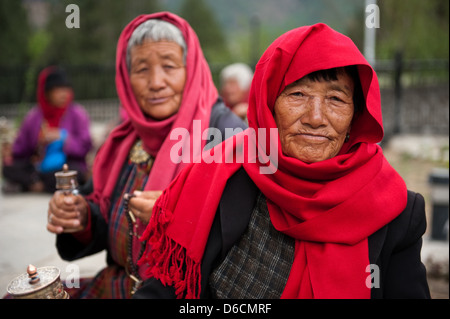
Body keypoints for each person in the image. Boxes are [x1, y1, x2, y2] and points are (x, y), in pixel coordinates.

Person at [134, 23, 431, 299]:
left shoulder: (396, 211)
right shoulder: (221, 176)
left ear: (356, 116)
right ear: (268, 107)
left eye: (336, 99)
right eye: (298, 94)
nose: (316, 118)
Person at [46, 12, 246, 299]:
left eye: (169, 66)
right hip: (116, 287)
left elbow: (242, 242)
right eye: (141, 70)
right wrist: (81, 217)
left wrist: (179, 220)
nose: (156, 82)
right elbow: (104, 219)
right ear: (127, 79)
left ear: (191, 69)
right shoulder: (123, 139)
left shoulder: (226, 136)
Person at [2, 66, 92, 193]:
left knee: (74, 172)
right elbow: (21, 149)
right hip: (39, 167)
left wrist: (63, 138)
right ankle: (37, 183)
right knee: (9, 168)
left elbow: (85, 147)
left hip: (65, 165)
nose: (63, 94)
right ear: (47, 93)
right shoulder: (34, 117)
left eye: (65, 89)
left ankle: (34, 185)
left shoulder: (77, 114)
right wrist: (34, 146)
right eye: (57, 90)